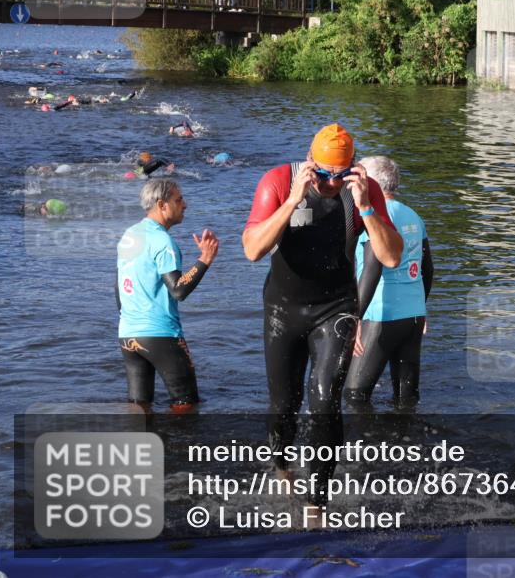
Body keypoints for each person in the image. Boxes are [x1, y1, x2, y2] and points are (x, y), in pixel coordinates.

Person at [242, 124, 402, 511]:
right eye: (326, 174)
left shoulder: (363, 190)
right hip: (283, 310)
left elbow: (392, 256)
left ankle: (317, 503)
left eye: (340, 174)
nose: (332, 183)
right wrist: (293, 200)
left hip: (336, 308)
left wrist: (366, 206)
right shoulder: (278, 181)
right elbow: (252, 250)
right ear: (311, 161)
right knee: (284, 403)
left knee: (325, 399)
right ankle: (282, 468)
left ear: (352, 166)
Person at [117, 179, 219, 413]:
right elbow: (178, 289)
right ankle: (182, 449)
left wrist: (132, 319)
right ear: (162, 205)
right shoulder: (163, 241)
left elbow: (118, 287)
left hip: (127, 334)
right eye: (179, 200)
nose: (185, 205)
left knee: (139, 408)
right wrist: (205, 259)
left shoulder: (129, 235)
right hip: (160, 335)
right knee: (187, 405)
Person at [345, 156, 433, 408]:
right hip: (413, 316)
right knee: (406, 398)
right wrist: (422, 308)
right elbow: (428, 268)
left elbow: (372, 270)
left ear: (371, 182)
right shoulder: (413, 215)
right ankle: (407, 442)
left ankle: (366, 446)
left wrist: (355, 320)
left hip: (381, 315)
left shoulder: (374, 217)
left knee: (354, 395)